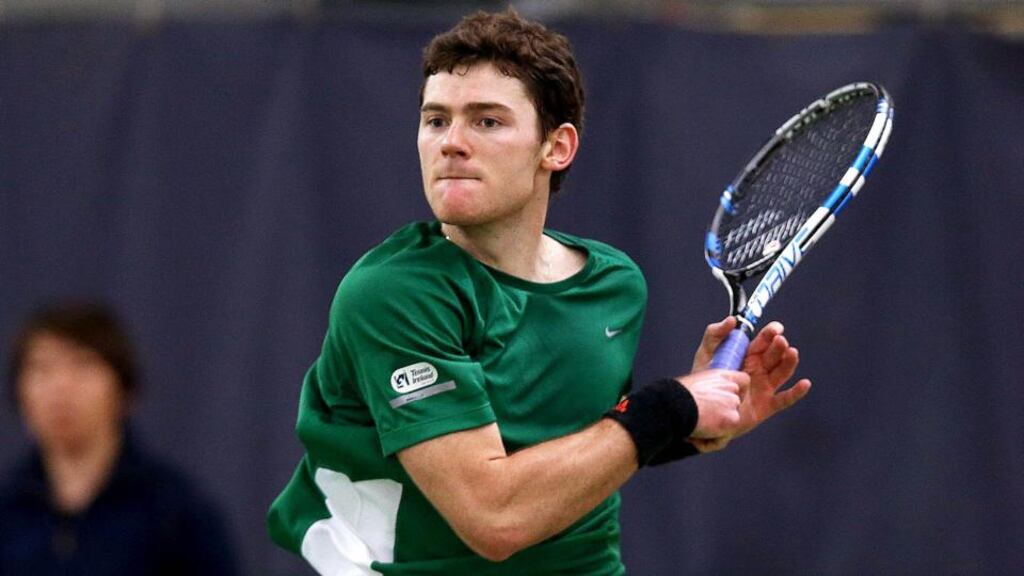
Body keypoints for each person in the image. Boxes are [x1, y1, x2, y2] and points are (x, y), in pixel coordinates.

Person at [268, 8, 811, 575]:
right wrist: (668, 407)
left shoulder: (613, 284)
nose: (451, 143)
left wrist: (692, 426)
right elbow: (495, 517)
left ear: (557, 147)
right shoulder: (392, 294)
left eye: (487, 121)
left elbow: (573, 450)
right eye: (435, 120)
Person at [0, 301, 240, 576]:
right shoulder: (8, 509)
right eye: (41, 368)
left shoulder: (176, 514)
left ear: (124, 390)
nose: (61, 387)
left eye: (83, 365)